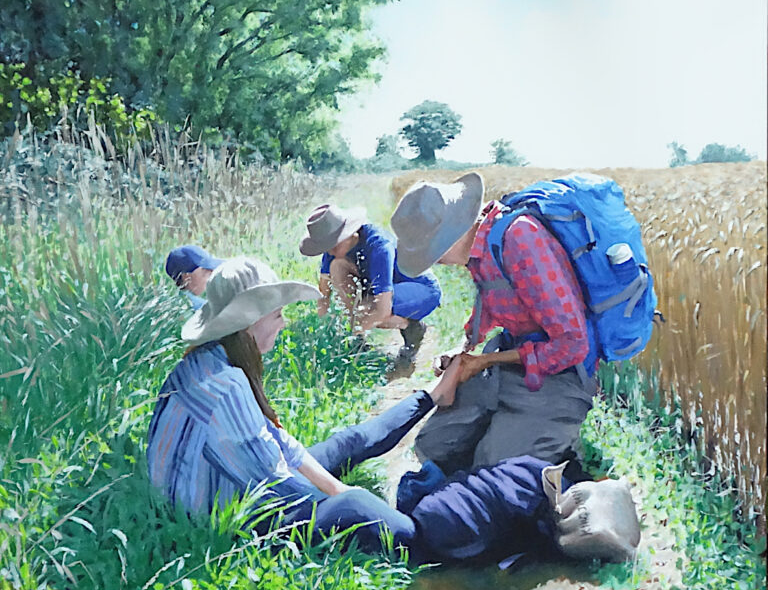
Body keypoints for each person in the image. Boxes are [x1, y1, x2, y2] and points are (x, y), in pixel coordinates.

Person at [146, 256, 462, 554]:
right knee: (361, 510)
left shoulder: (207, 360)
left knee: (345, 445)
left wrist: (335, 487)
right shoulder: (227, 387)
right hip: (232, 522)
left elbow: (276, 442)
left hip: (230, 490)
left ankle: (432, 395)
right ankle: (435, 540)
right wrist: (345, 498)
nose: (283, 324)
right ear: (248, 325)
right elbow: (277, 485)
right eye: (277, 315)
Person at [390, 173, 598, 482]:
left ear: (453, 232)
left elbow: (571, 344)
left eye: (432, 252)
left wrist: (485, 362)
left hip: (561, 376)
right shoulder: (481, 246)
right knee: (433, 446)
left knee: (492, 473)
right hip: (512, 361)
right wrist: (462, 353)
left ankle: (564, 460)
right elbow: (490, 304)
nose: (434, 263)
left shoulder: (521, 239)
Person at [299, 204, 441, 360]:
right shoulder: (333, 251)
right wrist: (320, 332)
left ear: (348, 234)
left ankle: (412, 329)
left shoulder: (379, 246)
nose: (329, 252)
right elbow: (323, 295)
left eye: (332, 246)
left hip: (420, 288)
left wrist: (347, 335)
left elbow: (382, 310)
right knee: (337, 266)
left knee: (368, 311)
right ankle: (359, 345)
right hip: (382, 289)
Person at [165, 245, 224, 310]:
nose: (212, 271)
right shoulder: (197, 307)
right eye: (205, 269)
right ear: (186, 277)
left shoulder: (176, 301)